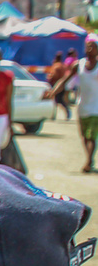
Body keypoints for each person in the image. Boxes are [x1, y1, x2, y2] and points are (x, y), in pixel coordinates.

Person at [56, 36, 98, 173]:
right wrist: (54, 91)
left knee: (91, 135)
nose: (90, 49)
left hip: (96, 109)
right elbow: (64, 80)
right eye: (88, 46)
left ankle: (89, 162)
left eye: (93, 46)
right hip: (82, 107)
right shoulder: (78, 65)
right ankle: (89, 159)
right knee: (84, 136)